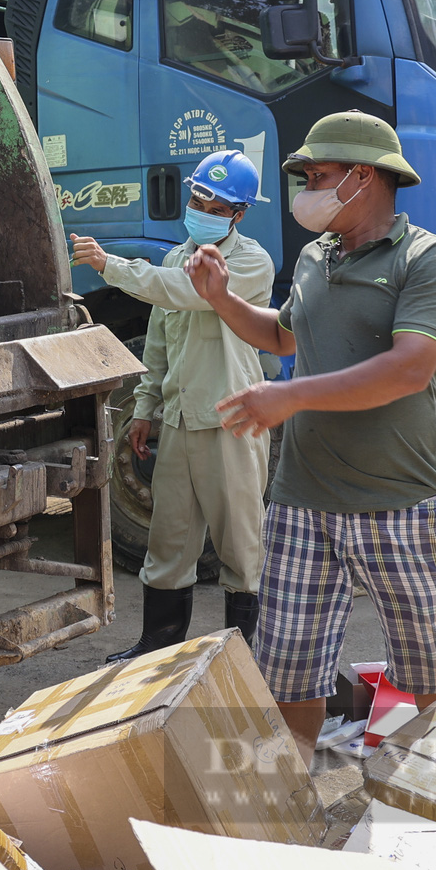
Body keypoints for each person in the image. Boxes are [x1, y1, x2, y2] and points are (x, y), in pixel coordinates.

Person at [184, 111, 436, 766]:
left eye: (319, 176)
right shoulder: (316, 256)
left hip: (399, 501)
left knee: (429, 676)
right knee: (286, 672)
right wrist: (224, 300)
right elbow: (287, 336)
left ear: (363, 177)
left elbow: (410, 367)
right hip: (301, 502)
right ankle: (291, 796)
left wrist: (289, 394)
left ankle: (435, 797)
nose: (306, 190)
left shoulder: (428, 260)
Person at [70, 150, 274, 658]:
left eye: (218, 204)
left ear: (239, 214)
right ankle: (157, 644)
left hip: (233, 419)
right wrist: (144, 408)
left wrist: (110, 266)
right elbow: (159, 344)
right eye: (198, 197)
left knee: (240, 548)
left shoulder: (250, 262)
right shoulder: (171, 257)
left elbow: (188, 293)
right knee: (169, 542)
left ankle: (244, 655)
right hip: (180, 422)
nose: (203, 207)